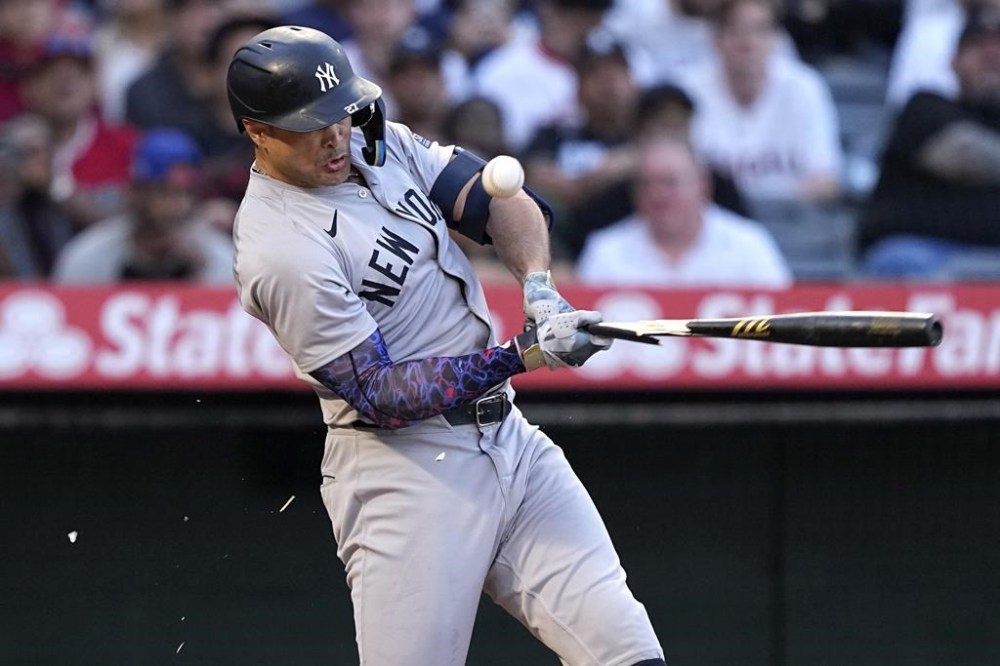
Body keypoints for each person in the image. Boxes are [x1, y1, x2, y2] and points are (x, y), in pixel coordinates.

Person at [226, 25, 665, 665]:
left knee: (628, 655)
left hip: (509, 442)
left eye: (340, 114)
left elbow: (499, 198)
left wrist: (540, 289)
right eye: (309, 123)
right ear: (257, 131)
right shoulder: (279, 248)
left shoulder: (380, 145)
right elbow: (378, 393)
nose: (334, 136)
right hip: (404, 471)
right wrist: (526, 355)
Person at [857, 5, 1000, 277]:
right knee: (901, 261)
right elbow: (972, 155)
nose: (992, 55)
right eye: (978, 46)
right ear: (953, 60)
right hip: (921, 256)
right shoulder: (924, 107)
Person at [677, 0, 844, 204]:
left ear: (776, 39)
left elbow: (826, 182)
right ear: (716, 39)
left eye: (759, 30)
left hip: (789, 222)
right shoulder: (686, 90)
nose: (747, 41)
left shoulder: (805, 88)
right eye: (736, 30)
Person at [575, 136, 792, 287]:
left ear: (702, 185)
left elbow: (776, 325)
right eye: (647, 184)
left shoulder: (749, 246)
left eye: (670, 183)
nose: (658, 194)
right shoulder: (606, 252)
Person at [52, 127, 233, 283]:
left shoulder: (219, 258)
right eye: (163, 192)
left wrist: (199, 273)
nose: (179, 205)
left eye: (187, 193)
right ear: (136, 192)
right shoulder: (90, 256)